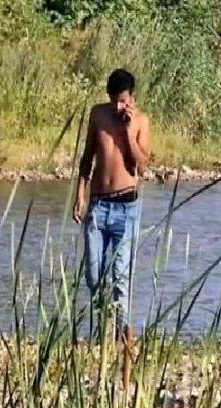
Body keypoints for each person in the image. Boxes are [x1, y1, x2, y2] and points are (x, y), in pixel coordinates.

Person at [72, 69, 151, 338]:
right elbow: (87, 157)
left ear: (131, 98)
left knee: (121, 276)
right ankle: (104, 325)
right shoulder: (98, 115)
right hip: (98, 206)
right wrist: (80, 194)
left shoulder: (140, 121)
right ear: (108, 97)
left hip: (126, 208)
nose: (119, 106)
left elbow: (141, 166)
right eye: (115, 100)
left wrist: (128, 134)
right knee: (94, 274)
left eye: (123, 100)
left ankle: (120, 334)